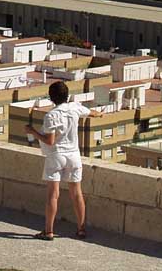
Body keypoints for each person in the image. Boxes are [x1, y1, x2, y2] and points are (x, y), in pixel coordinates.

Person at [24, 80, 103, 240]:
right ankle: (81, 229)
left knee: (53, 195)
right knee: (77, 193)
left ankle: (49, 231)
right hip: (74, 155)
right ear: (67, 95)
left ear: (51, 98)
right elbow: (90, 113)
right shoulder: (74, 108)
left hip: (56, 156)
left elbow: (50, 141)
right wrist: (100, 113)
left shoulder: (51, 116)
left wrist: (32, 132)